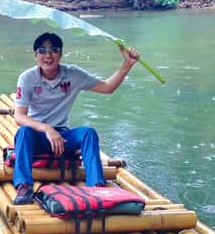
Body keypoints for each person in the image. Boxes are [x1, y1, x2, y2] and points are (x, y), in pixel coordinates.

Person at [11, 32, 139, 205]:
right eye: (42, 51)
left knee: (88, 133)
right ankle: (24, 186)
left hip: (63, 137)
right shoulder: (27, 78)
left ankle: (96, 186)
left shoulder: (73, 75)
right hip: (36, 136)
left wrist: (127, 64)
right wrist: (47, 129)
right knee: (23, 132)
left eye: (54, 50)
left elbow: (107, 87)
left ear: (61, 54)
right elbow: (19, 116)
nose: (48, 56)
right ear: (35, 55)